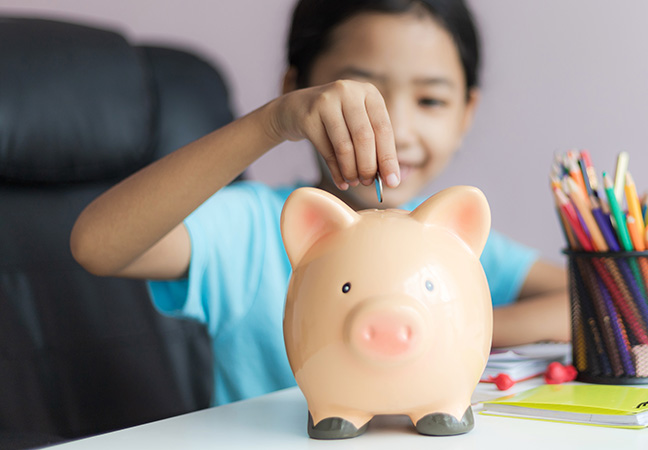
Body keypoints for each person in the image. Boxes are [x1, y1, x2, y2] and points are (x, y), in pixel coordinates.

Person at [70, 0, 569, 407]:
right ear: (297, 88)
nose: (393, 126)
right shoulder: (252, 228)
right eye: (363, 94)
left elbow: (594, 298)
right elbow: (97, 245)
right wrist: (270, 124)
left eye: (430, 101)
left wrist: (447, 324)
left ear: (467, 113)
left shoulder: (443, 241)